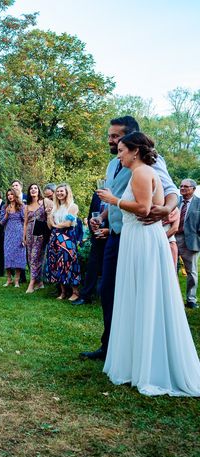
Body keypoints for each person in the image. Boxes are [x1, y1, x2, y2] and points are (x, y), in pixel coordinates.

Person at [98, 132, 200, 396]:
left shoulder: (141, 172)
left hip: (142, 239)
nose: (118, 154)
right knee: (137, 295)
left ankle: (147, 366)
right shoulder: (140, 171)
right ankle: (136, 361)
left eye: (121, 149)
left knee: (143, 294)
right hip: (137, 237)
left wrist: (114, 200)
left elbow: (143, 208)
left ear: (135, 151)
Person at [82, 116, 178, 361]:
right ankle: (112, 345)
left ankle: (130, 349)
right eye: (110, 136)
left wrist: (167, 209)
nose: (111, 141)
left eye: (115, 137)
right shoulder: (113, 163)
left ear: (131, 138)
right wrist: (102, 216)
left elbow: (171, 191)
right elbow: (118, 196)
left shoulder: (149, 161)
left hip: (134, 236)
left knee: (126, 291)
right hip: (113, 233)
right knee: (109, 291)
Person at [45, 184, 80, 300]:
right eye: (57, 191)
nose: (59, 193)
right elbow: (49, 226)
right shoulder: (55, 208)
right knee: (56, 262)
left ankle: (75, 292)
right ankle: (63, 292)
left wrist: (55, 226)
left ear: (67, 192)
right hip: (55, 237)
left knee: (69, 261)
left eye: (62, 191)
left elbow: (68, 223)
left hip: (67, 236)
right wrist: (49, 214)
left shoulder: (73, 206)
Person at [72, 191, 108, 305]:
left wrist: (109, 231)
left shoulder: (118, 192)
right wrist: (93, 230)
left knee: (111, 266)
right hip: (97, 235)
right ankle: (85, 296)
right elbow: (90, 215)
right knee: (92, 266)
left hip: (113, 234)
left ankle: (107, 296)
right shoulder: (97, 195)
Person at [175, 179, 200, 309]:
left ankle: (191, 299)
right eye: (181, 186)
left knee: (192, 271)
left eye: (186, 186)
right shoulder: (175, 201)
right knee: (171, 269)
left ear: (193, 189)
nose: (182, 188)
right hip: (172, 238)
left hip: (190, 241)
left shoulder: (199, 203)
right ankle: (174, 298)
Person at [22, 184, 47, 293]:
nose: (33, 190)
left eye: (35, 188)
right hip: (29, 232)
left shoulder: (44, 203)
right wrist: (24, 237)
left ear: (38, 191)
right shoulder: (27, 206)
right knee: (31, 258)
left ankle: (31, 284)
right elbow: (25, 223)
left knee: (35, 257)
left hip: (40, 232)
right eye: (31, 188)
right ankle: (40, 282)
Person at [1, 189, 26, 287]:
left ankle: (16, 280)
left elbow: (25, 221)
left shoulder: (21, 206)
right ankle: (8, 279)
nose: (10, 196)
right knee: (8, 255)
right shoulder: (4, 207)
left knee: (18, 256)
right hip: (8, 233)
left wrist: (24, 236)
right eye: (8, 195)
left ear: (15, 195)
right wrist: (7, 214)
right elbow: (1, 222)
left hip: (19, 232)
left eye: (11, 194)